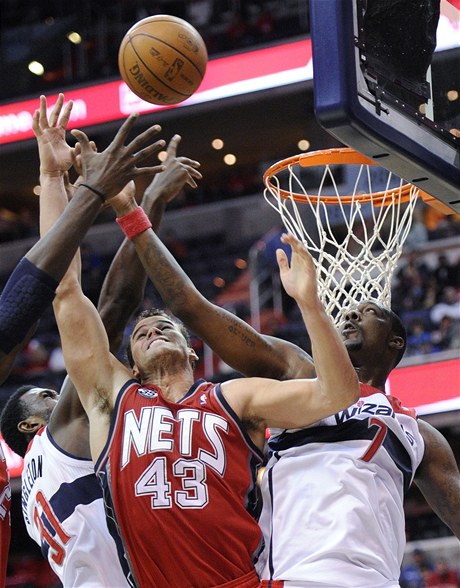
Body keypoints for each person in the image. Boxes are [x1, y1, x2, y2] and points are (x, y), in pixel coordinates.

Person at [51, 138, 359, 587]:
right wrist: (56, 179)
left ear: (194, 351)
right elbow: (65, 293)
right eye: (140, 334)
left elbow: (337, 392)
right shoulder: (114, 399)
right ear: (131, 367)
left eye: (164, 327)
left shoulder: (233, 395)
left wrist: (310, 306)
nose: (152, 330)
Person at [121, 204, 460, 585]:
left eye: (368, 313)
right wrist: (133, 217)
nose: (348, 315)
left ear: (395, 343)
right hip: (291, 575)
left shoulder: (420, 435)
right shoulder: (296, 374)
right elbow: (190, 307)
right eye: (346, 310)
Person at [1, 94, 201, 585]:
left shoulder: (30, 492)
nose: (62, 386)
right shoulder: (61, 435)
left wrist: (53, 178)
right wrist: (143, 202)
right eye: (47, 394)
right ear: (29, 427)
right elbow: (97, 303)